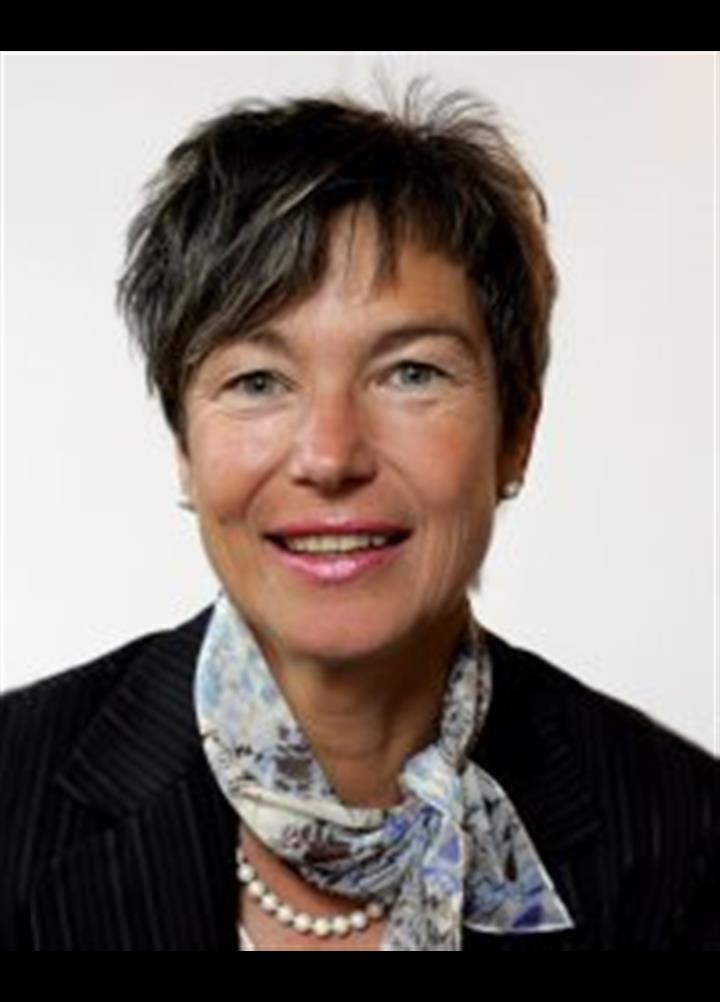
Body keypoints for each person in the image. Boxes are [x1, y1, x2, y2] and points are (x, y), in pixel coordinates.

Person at [1, 79, 717, 952]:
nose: (331, 455)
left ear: (517, 433)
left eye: (411, 373)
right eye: (257, 381)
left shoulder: (685, 840)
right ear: (185, 446)